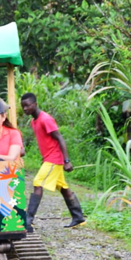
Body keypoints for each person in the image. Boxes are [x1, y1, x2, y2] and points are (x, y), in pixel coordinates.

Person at [20, 92, 86, 231]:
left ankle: (28, 221)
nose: (25, 109)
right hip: (48, 159)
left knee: (38, 183)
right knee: (63, 187)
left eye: (27, 106)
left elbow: (60, 138)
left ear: (35, 105)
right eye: (23, 106)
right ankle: (78, 217)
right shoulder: (34, 121)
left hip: (54, 159)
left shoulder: (45, 119)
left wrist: (67, 160)